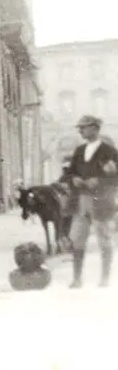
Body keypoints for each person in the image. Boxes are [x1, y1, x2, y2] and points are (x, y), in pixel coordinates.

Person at [66, 114, 118, 288]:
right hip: (81, 201)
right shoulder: (79, 150)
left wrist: (99, 181)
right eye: (79, 128)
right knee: (77, 239)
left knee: (104, 238)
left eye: (84, 127)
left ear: (96, 128)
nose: (80, 130)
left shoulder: (109, 152)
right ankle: (77, 278)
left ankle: (104, 278)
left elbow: (115, 177)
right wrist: (73, 179)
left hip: (102, 200)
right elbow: (70, 172)